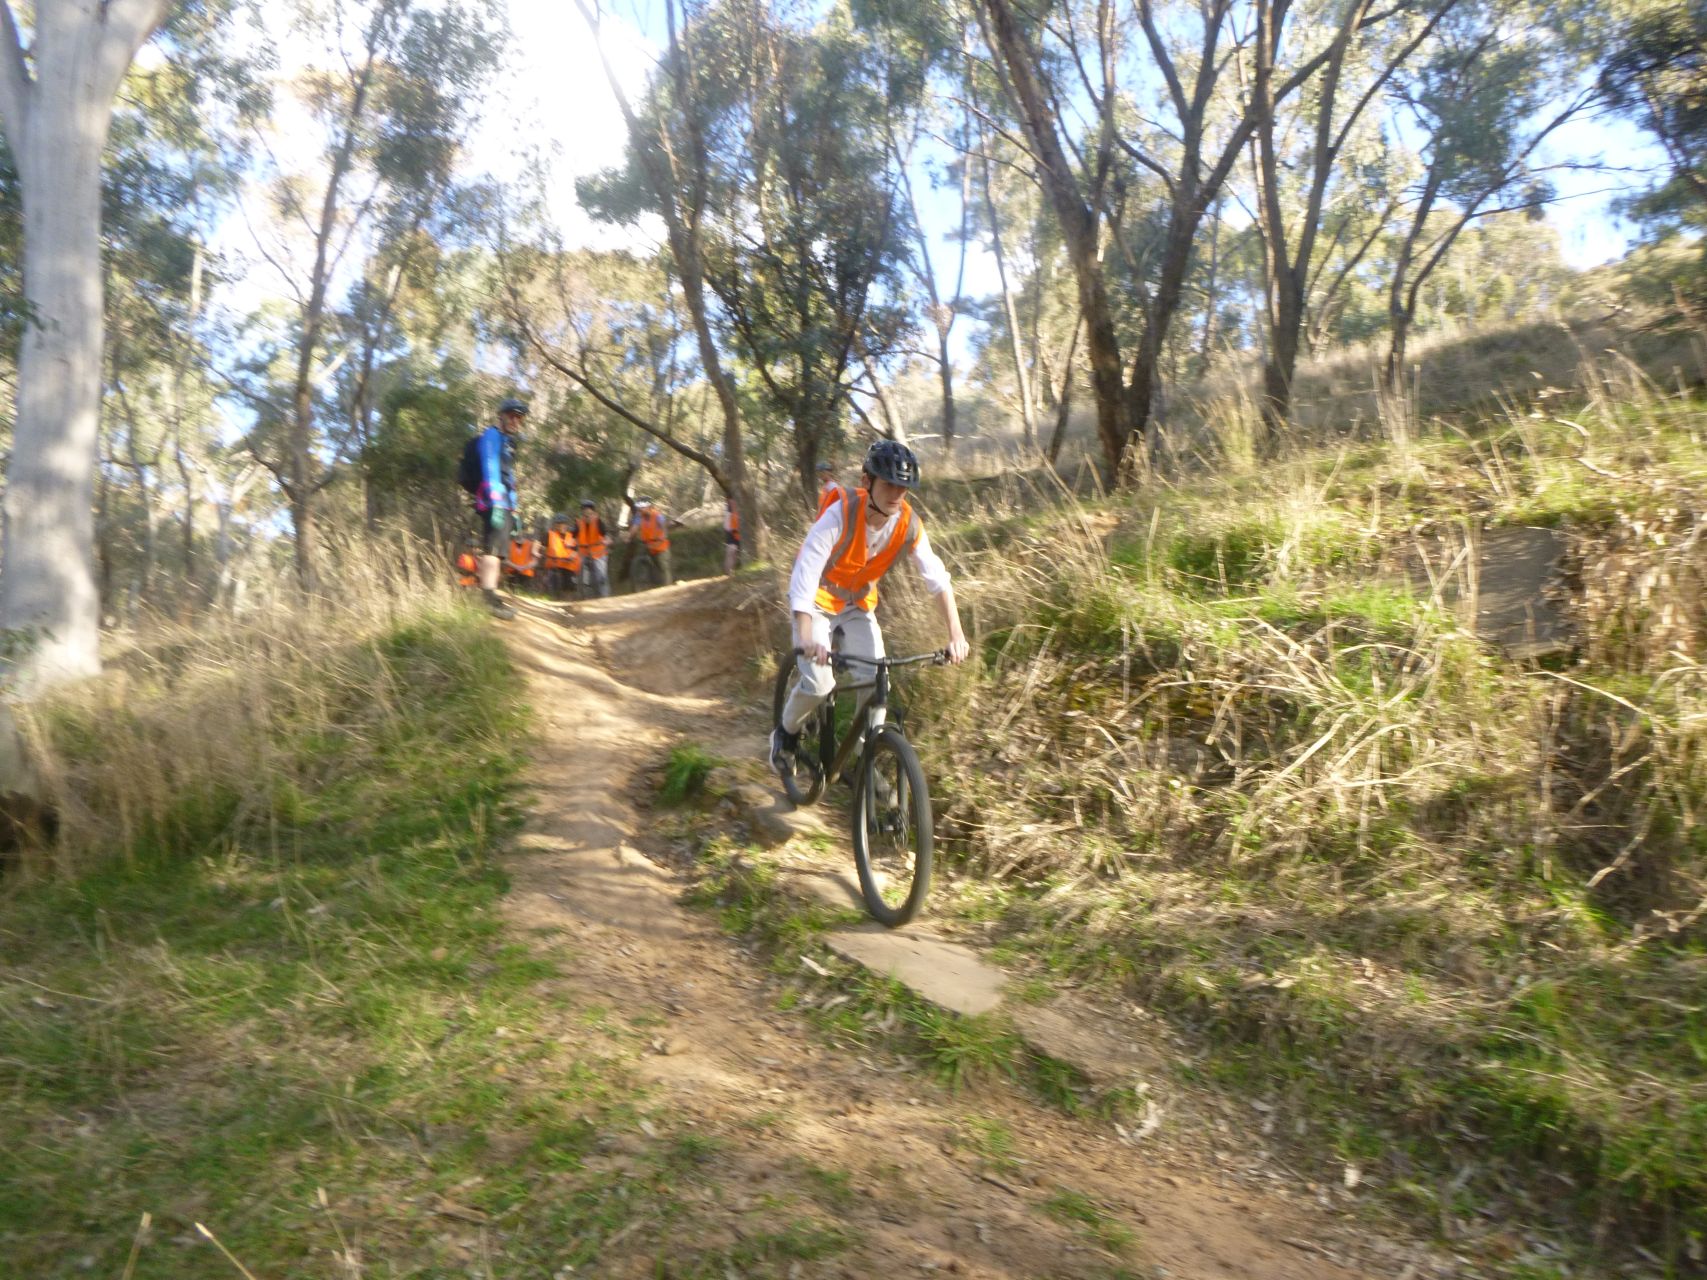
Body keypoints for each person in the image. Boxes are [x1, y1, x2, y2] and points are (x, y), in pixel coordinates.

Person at [770, 439, 970, 776]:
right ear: (867, 481)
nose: (897, 494)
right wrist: (805, 637)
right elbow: (805, 575)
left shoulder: (909, 525)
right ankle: (785, 735)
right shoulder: (839, 515)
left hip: (857, 606)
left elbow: (937, 579)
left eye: (903, 487)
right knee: (819, 685)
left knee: (877, 683)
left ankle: (867, 756)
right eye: (889, 484)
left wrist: (956, 635)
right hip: (816, 603)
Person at [463, 396, 527, 619]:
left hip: (505, 503)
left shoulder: (508, 442)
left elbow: (509, 478)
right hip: (493, 501)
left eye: (519, 418)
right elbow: (490, 467)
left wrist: (514, 509)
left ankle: (492, 595)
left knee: (499, 552)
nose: (515, 421)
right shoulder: (492, 435)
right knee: (492, 549)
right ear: (501, 416)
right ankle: (488, 600)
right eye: (512, 416)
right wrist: (497, 502)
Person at [627, 497, 674, 589]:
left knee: (663, 566)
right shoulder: (639, 516)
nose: (640, 510)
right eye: (639, 508)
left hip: (660, 545)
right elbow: (635, 527)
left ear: (649, 507)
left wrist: (663, 535)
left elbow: (663, 526)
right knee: (639, 558)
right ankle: (641, 582)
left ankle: (668, 587)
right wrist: (628, 537)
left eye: (642, 508)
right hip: (647, 545)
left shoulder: (657, 515)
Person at [576, 498, 612, 598]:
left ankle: (605, 596)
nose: (587, 516)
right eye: (584, 514)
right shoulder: (579, 524)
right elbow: (572, 535)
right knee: (578, 571)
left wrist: (607, 540)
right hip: (584, 553)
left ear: (594, 513)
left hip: (598, 554)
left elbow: (606, 535)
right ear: (582, 514)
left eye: (589, 514)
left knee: (601, 577)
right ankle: (581, 595)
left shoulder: (598, 522)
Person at [543, 512, 582, 599]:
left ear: (567, 525)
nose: (561, 526)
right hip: (554, 565)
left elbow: (576, 549)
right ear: (555, 525)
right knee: (553, 582)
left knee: (569, 585)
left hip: (569, 565)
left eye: (564, 524)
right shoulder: (550, 535)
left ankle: (567, 600)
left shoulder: (572, 536)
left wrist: (572, 555)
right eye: (559, 524)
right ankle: (554, 599)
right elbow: (541, 545)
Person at [505, 523, 541, 590]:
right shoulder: (509, 543)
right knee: (512, 582)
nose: (521, 532)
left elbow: (535, 562)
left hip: (526, 574)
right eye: (519, 530)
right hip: (512, 572)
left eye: (523, 530)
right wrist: (516, 567)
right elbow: (504, 559)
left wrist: (524, 567)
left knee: (523, 586)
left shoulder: (531, 544)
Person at [723, 496, 741, 575]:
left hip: (736, 533)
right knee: (731, 552)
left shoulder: (735, 510)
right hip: (732, 532)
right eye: (731, 502)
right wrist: (732, 530)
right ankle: (728, 571)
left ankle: (730, 571)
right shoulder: (729, 511)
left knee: (734, 553)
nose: (733, 503)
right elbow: (727, 526)